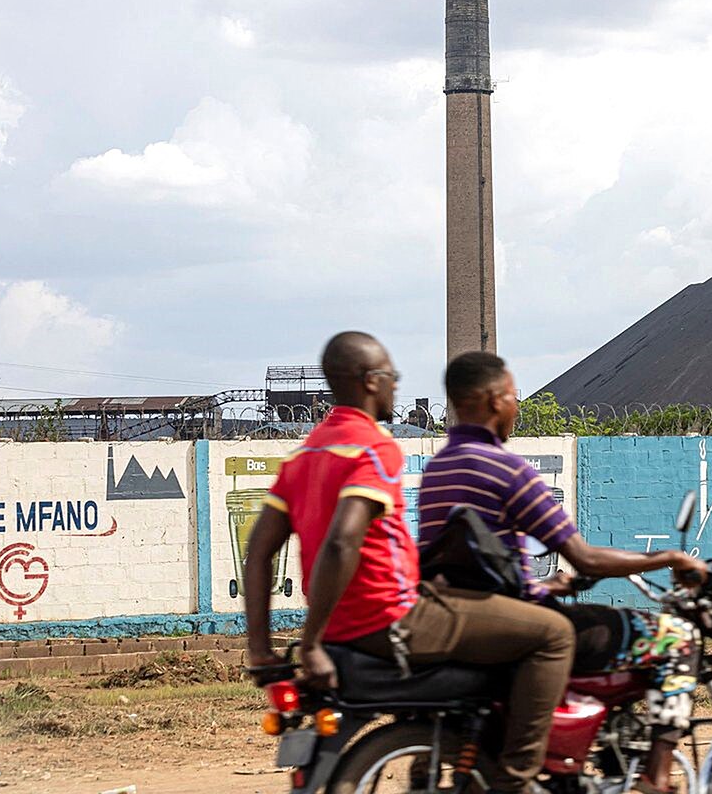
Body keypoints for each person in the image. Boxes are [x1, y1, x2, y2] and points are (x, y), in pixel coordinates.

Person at [243, 332, 574, 794]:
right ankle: (515, 780)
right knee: (554, 634)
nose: (397, 386)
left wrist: (261, 649)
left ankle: (440, 756)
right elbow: (342, 542)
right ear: (370, 381)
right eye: (392, 377)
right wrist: (311, 644)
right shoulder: (372, 447)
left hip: (345, 626)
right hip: (394, 618)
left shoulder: (305, 455)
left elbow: (258, 552)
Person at [418, 351, 708, 794]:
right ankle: (657, 777)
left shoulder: (438, 469)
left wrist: (542, 585)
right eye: (513, 396)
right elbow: (585, 558)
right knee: (677, 637)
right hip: (519, 624)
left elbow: (472, 562)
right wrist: (670, 558)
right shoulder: (507, 469)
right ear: (495, 401)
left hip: (468, 616)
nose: (517, 406)